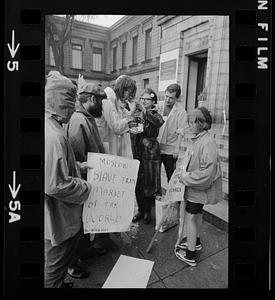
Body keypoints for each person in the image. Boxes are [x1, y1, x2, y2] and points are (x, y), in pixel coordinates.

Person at [44, 71, 91, 288]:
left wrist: (77, 166)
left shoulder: (50, 125)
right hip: (58, 216)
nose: (73, 109)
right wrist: (84, 186)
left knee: (56, 263)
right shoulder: (54, 135)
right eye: (69, 103)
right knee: (54, 266)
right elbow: (56, 185)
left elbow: (56, 168)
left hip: (53, 213)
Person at [66, 82, 109, 279]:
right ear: (91, 99)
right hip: (83, 180)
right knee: (77, 227)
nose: (101, 105)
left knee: (84, 224)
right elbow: (76, 155)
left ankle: (83, 252)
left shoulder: (86, 117)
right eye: (100, 101)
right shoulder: (78, 119)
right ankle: (71, 264)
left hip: (89, 178)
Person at [174, 107, 222, 267]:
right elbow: (187, 135)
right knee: (197, 215)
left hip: (198, 189)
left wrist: (186, 177)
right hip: (197, 189)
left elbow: (207, 173)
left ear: (200, 124)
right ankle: (197, 242)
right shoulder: (200, 138)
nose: (188, 125)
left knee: (191, 218)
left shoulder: (206, 143)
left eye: (191, 122)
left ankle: (190, 254)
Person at [131, 88, 164, 224]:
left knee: (150, 182)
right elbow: (134, 131)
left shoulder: (155, 114)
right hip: (138, 150)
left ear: (153, 101)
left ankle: (149, 212)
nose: (144, 101)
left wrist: (145, 113)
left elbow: (159, 122)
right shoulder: (138, 114)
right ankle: (141, 210)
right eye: (142, 99)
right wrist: (133, 120)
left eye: (147, 99)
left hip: (151, 151)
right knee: (138, 182)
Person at [96, 75, 137, 158]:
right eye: (130, 92)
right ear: (123, 89)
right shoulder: (107, 102)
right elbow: (116, 128)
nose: (130, 96)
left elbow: (132, 126)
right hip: (108, 151)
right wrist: (131, 113)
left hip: (117, 151)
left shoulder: (118, 104)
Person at [157, 84, 187, 182]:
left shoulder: (181, 112)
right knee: (155, 174)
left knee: (171, 175)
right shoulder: (159, 106)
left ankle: (172, 196)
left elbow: (181, 131)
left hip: (170, 148)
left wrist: (177, 148)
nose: (167, 100)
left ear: (177, 98)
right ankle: (158, 195)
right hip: (157, 146)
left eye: (171, 98)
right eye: (166, 96)